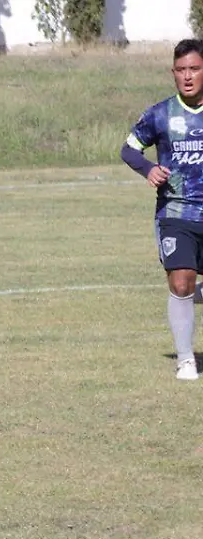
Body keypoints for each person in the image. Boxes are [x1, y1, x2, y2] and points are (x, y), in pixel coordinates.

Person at [123, 39, 203, 381]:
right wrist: (148, 169)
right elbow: (129, 150)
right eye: (181, 70)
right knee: (181, 281)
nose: (188, 77)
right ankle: (186, 359)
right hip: (176, 214)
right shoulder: (160, 114)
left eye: (195, 69)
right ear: (173, 73)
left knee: (190, 288)